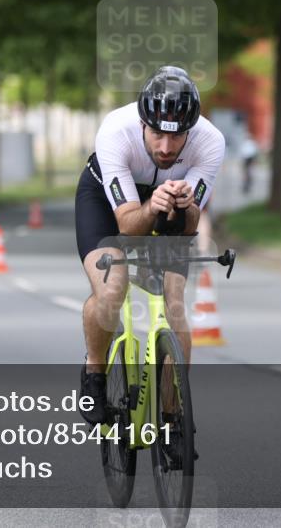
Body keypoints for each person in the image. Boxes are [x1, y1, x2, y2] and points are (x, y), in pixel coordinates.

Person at [74, 66, 225, 425]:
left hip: (171, 203)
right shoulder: (115, 130)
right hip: (109, 201)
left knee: (174, 306)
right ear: (143, 122)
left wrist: (187, 207)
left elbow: (189, 229)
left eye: (177, 137)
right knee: (113, 287)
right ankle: (94, 374)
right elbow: (127, 225)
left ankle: (173, 420)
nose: (166, 148)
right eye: (157, 134)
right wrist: (151, 204)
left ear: (192, 129)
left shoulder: (211, 141)